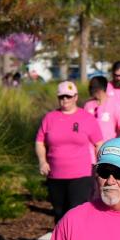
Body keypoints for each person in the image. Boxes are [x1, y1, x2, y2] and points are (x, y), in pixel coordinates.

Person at [35, 80, 101, 221]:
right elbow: (39, 142)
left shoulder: (87, 118)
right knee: (59, 214)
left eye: (68, 96)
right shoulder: (49, 118)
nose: (65, 99)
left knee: (75, 213)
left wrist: (102, 166)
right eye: (61, 96)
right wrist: (42, 161)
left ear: (75, 97)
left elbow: (99, 143)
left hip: (81, 174)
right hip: (55, 174)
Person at [84, 75, 120, 142]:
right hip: (90, 147)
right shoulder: (88, 105)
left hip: (108, 147)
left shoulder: (115, 104)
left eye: (93, 86)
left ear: (102, 88)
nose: (90, 88)